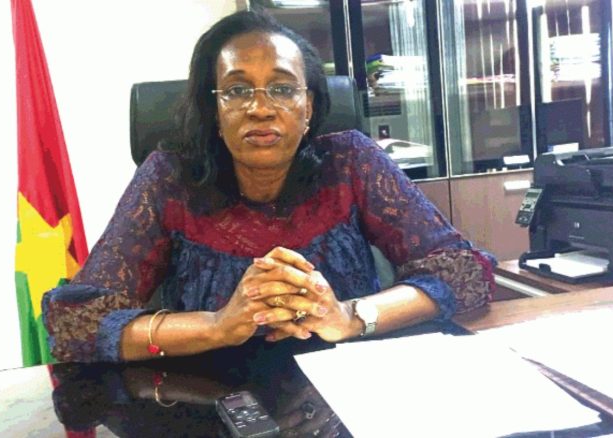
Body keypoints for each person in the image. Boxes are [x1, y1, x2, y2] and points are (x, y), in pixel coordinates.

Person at [42, 9, 496, 363]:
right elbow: (76, 324)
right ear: (214, 109)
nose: (260, 108)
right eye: (238, 90)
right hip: (208, 399)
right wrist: (217, 326)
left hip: (353, 387)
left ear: (308, 106)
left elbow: (462, 272)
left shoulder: (351, 161)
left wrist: (349, 316)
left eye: (281, 89)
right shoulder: (169, 178)